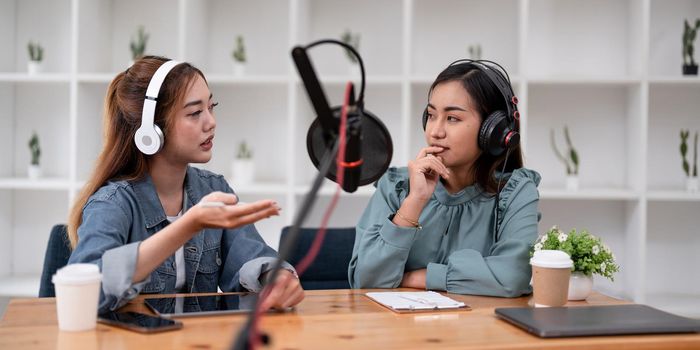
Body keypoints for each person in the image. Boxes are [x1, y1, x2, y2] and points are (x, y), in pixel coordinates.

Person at [67, 56, 304, 313]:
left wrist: (275, 278)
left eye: (211, 107)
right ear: (151, 131)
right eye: (194, 113)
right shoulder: (113, 203)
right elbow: (84, 293)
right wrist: (189, 225)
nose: (211, 122)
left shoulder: (214, 190)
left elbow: (251, 255)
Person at [348, 60, 540, 297]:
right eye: (431, 115)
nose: (435, 131)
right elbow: (365, 280)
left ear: (493, 131)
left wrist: (416, 277)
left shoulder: (516, 193)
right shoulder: (395, 187)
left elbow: (512, 277)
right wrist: (414, 201)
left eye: (452, 118)